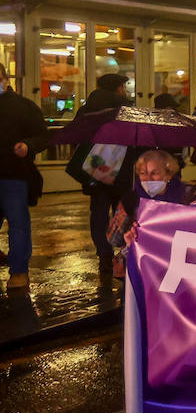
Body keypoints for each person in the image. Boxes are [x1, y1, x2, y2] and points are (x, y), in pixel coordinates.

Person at [66, 71, 132, 275]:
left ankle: (104, 256)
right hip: (121, 170)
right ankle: (123, 254)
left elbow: (75, 134)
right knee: (121, 213)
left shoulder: (87, 109)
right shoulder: (125, 108)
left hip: (94, 169)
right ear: (118, 88)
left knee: (99, 213)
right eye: (123, 86)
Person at [0, 61, 49, 290]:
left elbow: (42, 136)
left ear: (4, 79)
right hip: (13, 175)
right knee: (18, 223)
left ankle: (19, 272)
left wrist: (28, 146)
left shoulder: (24, 107)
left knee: (18, 223)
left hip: (14, 175)